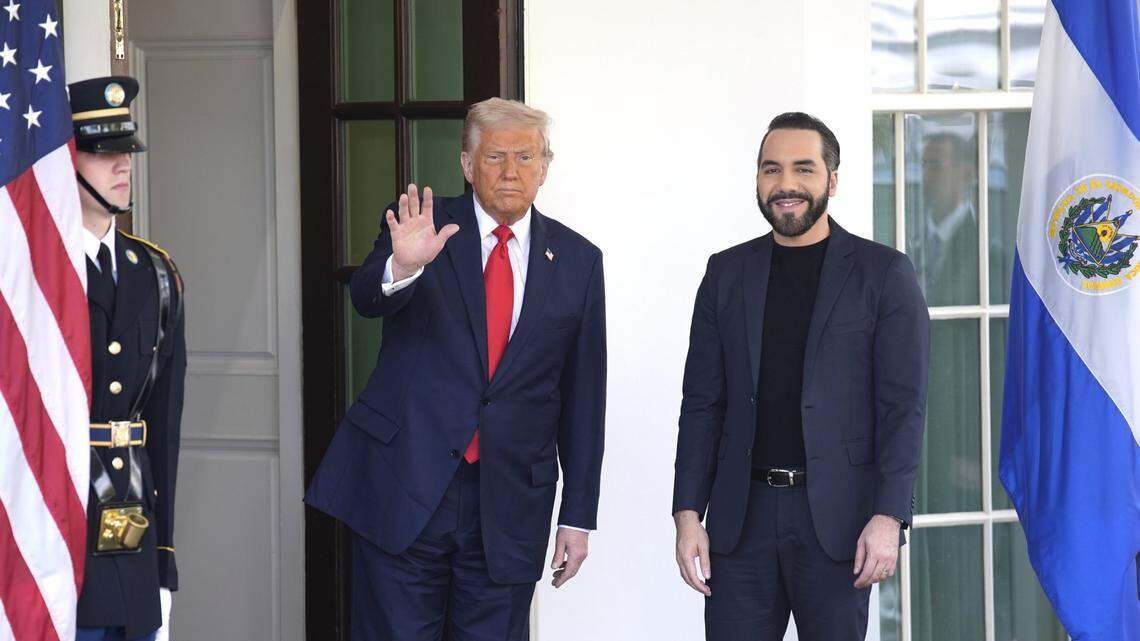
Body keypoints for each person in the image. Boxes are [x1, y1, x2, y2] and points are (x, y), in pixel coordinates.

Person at [306, 97, 607, 640]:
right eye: (493, 157)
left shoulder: (579, 260)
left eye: (525, 156)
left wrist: (577, 514)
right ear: (467, 165)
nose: (510, 171)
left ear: (545, 166)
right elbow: (368, 299)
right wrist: (403, 265)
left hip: (510, 501)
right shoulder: (422, 227)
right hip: (406, 484)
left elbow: (584, 397)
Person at [672, 112, 929, 640]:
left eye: (803, 169)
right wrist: (687, 513)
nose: (785, 185)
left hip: (840, 522)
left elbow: (903, 408)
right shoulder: (725, 273)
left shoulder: (885, 274)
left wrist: (889, 517)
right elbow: (702, 403)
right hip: (741, 523)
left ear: (832, 179)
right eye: (772, 170)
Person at [70, 76, 186, 641]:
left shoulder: (157, 274)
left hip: (132, 530)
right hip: (56, 531)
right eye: (103, 153)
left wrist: (163, 560)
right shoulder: (32, 276)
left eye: (127, 152)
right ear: (66, 161)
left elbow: (163, 426)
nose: (123, 166)